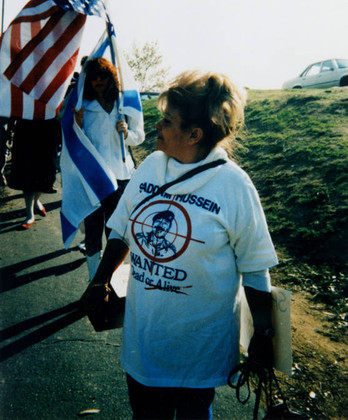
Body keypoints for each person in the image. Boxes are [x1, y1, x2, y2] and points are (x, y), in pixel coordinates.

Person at [82, 70, 278, 419]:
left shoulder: (234, 186)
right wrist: (101, 279)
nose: (158, 125)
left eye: (167, 120)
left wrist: (263, 332)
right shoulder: (151, 167)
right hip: (144, 344)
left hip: (198, 350)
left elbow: (254, 267)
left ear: (194, 134)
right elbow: (123, 229)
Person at [73, 57, 145, 281]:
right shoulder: (82, 107)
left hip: (121, 177)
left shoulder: (124, 106)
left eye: (103, 76)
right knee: (93, 232)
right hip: (93, 179)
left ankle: (110, 282)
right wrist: (78, 124)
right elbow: (74, 144)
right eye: (93, 78)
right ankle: (94, 281)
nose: (98, 82)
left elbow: (139, 137)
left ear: (111, 77)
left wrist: (126, 133)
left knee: (116, 233)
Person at [8, 118, 61, 229]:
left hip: (49, 128)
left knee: (46, 173)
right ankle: (29, 214)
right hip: (27, 127)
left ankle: (36, 201)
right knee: (27, 172)